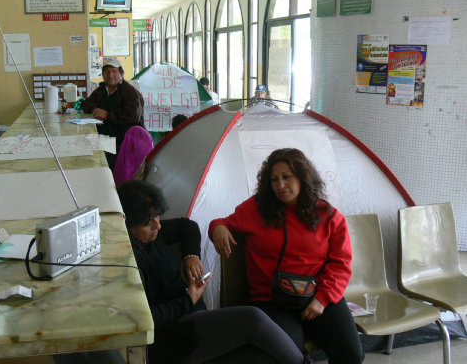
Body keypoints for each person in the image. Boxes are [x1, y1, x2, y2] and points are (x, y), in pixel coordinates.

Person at [117, 180, 313, 364]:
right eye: (147, 222)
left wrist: (191, 256)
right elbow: (146, 318)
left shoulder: (153, 236)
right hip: (175, 335)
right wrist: (187, 300)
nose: (157, 225)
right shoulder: (128, 262)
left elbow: (187, 226)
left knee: (265, 356)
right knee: (252, 319)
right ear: (128, 223)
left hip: (194, 319)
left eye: (157, 216)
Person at [209, 148, 364, 364]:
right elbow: (222, 222)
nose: (280, 186)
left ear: (303, 177)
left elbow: (341, 263)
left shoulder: (328, 215)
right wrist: (218, 227)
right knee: (289, 356)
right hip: (271, 300)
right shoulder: (256, 209)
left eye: (286, 177)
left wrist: (322, 298)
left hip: (318, 295)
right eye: (274, 179)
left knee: (351, 354)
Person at [81, 57, 145, 169]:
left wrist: (107, 115)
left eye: (114, 71)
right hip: (107, 137)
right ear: (103, 75)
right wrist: (95, 111)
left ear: (122, 74)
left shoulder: (130, 93)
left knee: (117, 169)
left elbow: (132, 117)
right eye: (107, 72)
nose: (110, 75)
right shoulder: (102, 89)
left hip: (125, 140)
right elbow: (86, 104)